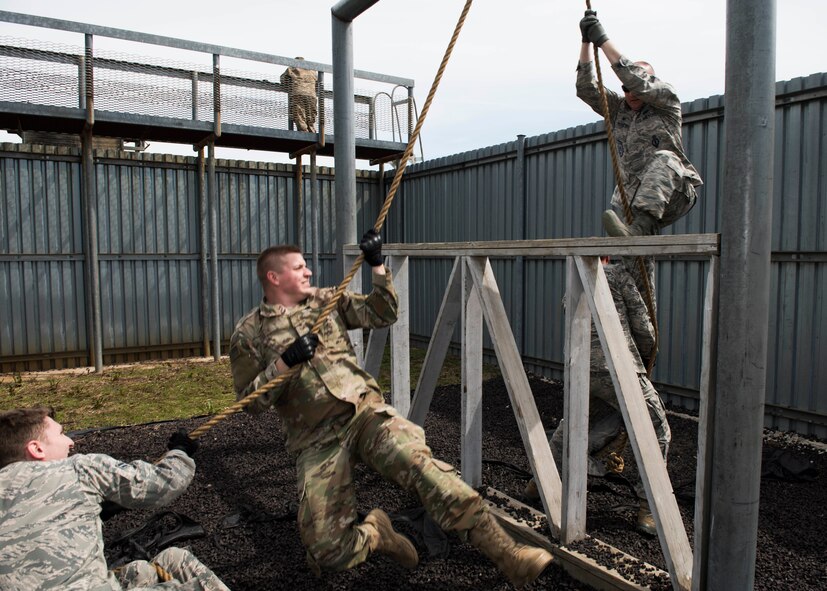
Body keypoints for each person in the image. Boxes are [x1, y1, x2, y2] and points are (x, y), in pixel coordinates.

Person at [229, 230, 554, 588]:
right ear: (274, 277)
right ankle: (377, 535)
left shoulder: (327, 301)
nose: (309, 272)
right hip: (316, 440)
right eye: (299, 267)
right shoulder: (250, 333)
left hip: (363, 414)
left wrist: (378, 266)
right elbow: (250, 403)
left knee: (423, 468)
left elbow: (383, 313)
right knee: (326, 550)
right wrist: (283, 365)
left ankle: (510, 556)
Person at [0, 406, 230, 591]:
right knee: (183, 568)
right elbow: (164, 483)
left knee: (150, 567)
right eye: (61, 433)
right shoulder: (79, 469)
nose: (71, 441)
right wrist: (180, 451)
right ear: (36, 449)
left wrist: (102, 509)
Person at [524, 257, 671, 536]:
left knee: (574, 424)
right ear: (606, 258)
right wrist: (645, 360)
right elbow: (644, 327)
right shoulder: (617, 275)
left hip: (581, 368)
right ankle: (648, 507)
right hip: (616, 367)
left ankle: (538, 482)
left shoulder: (572, 282)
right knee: (655, 428)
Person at [281, 57, 318, 133]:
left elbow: (283, 79)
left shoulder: (293, 67)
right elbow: (317, 83)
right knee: (310, 114)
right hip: (312, 95)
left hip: (298, 93)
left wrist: (288, 86)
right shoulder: (312, 70)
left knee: (299, 113)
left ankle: (303, 131)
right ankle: (311, 130)